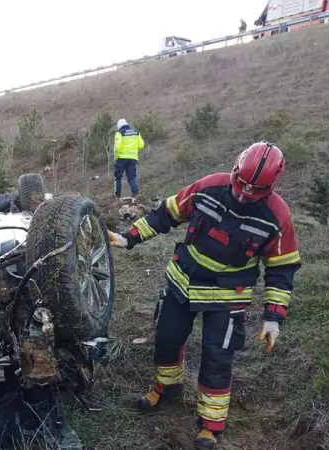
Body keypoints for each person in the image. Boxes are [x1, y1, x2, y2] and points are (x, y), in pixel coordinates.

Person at [108, 142, 301, 450]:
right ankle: (167, 389)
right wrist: (129, 237)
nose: (241, 195)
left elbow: (282, 269)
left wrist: (273, 317)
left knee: (217, 357)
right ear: (235, 169)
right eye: (239, 186)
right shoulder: (208, 187)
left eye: (252, 193)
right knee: (167, 340)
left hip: (227, 297)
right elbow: (166, 214)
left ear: (269, 187)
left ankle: (210, 425)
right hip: (183, 282)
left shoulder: (278, 216)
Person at [113, 118, 145, 199]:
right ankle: (135, 194)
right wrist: (134, 150)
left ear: (119, 126)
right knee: (131, 177)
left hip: (121, 159)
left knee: (118, 177)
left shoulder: (119, 133)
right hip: (132, 158)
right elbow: (141, 145)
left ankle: (117, 196)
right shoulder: (136, 132)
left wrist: (116, 157)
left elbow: (117, 147)